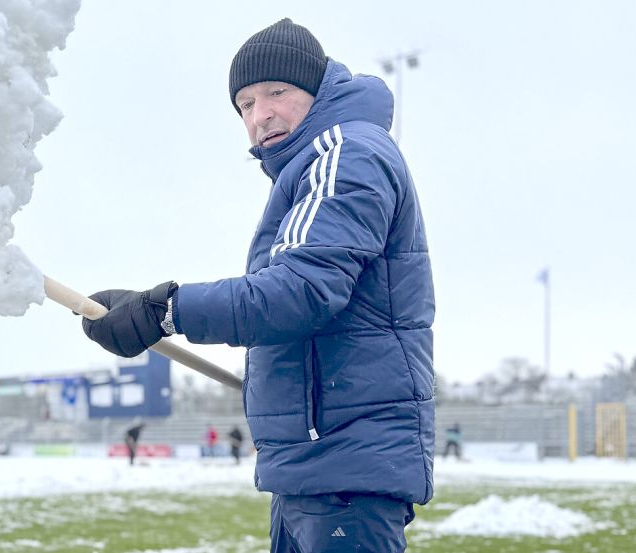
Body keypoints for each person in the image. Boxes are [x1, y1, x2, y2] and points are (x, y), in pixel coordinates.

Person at [82, 18, 434, 552]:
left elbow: (300, 292)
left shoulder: (345, 152)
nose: (259, 115)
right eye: (244, 104)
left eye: (276, 92)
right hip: (312, 464)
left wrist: (164, 310)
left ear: (316, 91)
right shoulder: (309, 167)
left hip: (345, 467)